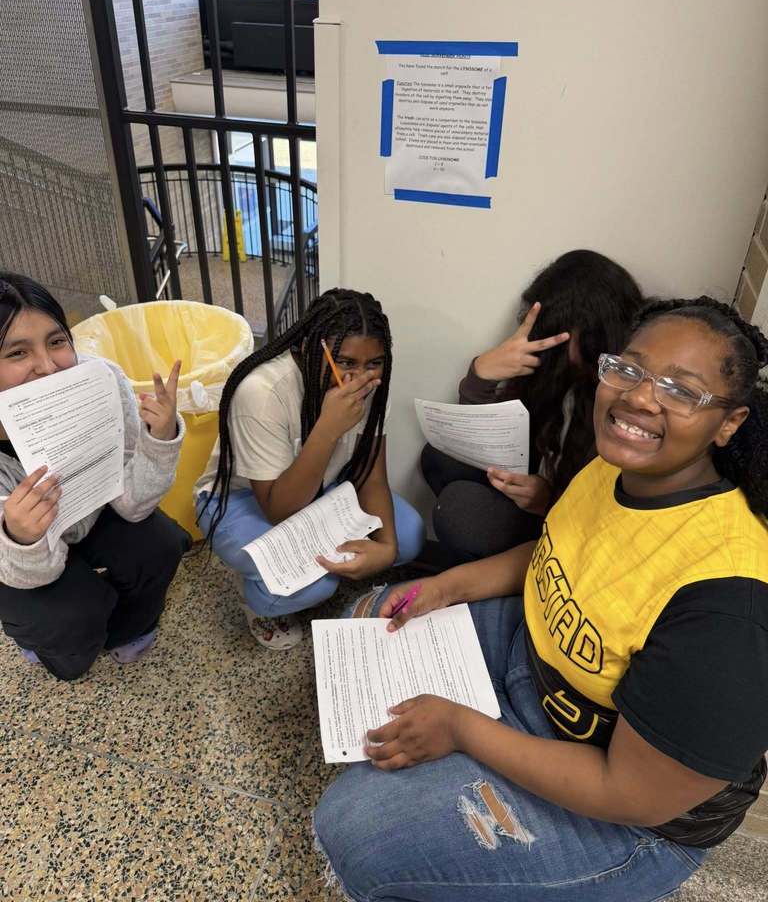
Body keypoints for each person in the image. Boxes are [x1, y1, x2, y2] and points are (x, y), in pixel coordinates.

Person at [314, 296, 768, 902]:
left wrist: (463, 730)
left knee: (354, 829)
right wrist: (446, 586)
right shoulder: (615, 468)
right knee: (370, 615)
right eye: (628, 370)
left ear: (729, 422)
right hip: (537, 663)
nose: (638, 398)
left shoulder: (729, 605)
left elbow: (629, 793)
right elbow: (555, 552)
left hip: (626, 809)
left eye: (679, 391)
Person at [196, 288, 425, 650]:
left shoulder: (372, 388)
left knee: (408, 535)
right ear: (307, 348)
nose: (359, 379)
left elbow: (370, 472)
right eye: (345, 363)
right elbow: (278, 510)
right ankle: (257, 598)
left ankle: (324, 560)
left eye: (373, 363)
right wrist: (328, 431)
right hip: (245, 499)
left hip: (322, 487)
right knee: (315, 584)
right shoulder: (262, 392)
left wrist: (387, 547)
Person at [0, 273, 189, 682]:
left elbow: (132, 507)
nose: (48, 367)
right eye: (17, 353)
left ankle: (129, 629)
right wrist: (19, 536)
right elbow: (34, 574)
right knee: (70, 616)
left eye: (56, 341)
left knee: (162, 545)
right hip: (17, 559)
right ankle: (57, 650)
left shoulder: (99, 379)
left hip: (90, 512)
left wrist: (159, 439)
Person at [421, 249, 643, 561]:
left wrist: (547, 499)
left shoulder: (621, 400)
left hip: (568, 522)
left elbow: (598, 514)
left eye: (557, 333)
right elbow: (486, 435)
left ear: (594, 332)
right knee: (438, 455)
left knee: (460, 511)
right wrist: (482, 374)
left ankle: (503, 572)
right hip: (536, 485)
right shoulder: (557, 371)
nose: (544, 340)